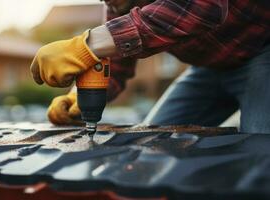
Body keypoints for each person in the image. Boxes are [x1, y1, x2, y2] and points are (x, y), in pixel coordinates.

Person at [30, 0, 270, 133]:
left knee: (259, 152)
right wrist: (77, 98)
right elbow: (116, 65)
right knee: (153, 140)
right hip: (207, 69)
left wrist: (89, 43)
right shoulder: (116, 4)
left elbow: (204, 6)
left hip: (262, 52)